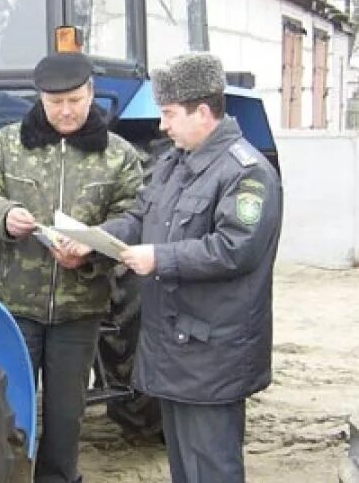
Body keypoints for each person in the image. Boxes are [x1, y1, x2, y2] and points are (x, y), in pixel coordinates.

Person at [90, 52, 283, 483]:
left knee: (212, 466)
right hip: (174, 346)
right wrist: (94, 238)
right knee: (184, 466)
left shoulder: (246, 173)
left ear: (202, 112)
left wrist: (160, 257)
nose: (162, 125)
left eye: (170, 113)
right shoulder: (175, 165)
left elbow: (236, 249)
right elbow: (141, 217)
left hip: (213, 351)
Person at [0, 52, 143, 483]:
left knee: (65, 414)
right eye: (55, 102)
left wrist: (90, 248)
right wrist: (4, 215)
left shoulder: (118, 156)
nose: (65, 111)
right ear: (39, 99)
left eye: (75, 101)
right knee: (10, 405)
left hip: (80, 308)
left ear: (91, 94)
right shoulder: (5, 145)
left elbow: (134, 214)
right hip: (15, 304)